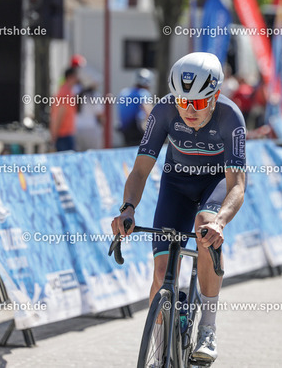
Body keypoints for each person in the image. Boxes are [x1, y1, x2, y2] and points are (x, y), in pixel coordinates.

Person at [111, 52, 247, 364]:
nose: (189, 110)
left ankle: (207, 330)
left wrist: (220, 222)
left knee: (205, 226)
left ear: (215, 96)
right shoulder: (163, 111)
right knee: (161, 274)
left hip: (215, 184)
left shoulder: (231, 117)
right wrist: (128, 209)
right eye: (182, 101)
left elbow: (237, 185)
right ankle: (159, 351)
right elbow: (140, 171)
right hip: (176, 186)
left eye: (197, 102)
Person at [118, 69, 154, 146]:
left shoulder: (124, 92)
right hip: (136, 131)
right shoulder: (143, 93)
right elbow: (150, 113)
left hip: (124, 130)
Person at [50, 67, 78, 151]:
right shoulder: (65, 92)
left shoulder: (67, 90)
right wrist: (54, 134)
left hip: (65, 133)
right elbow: (60, 114)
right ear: (70, 77)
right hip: (63, 134)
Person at [75, 74, 104, 151]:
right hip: (91, 129)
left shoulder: (77, 94)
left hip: (78, 128)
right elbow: (99, 114)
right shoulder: (95, 95)